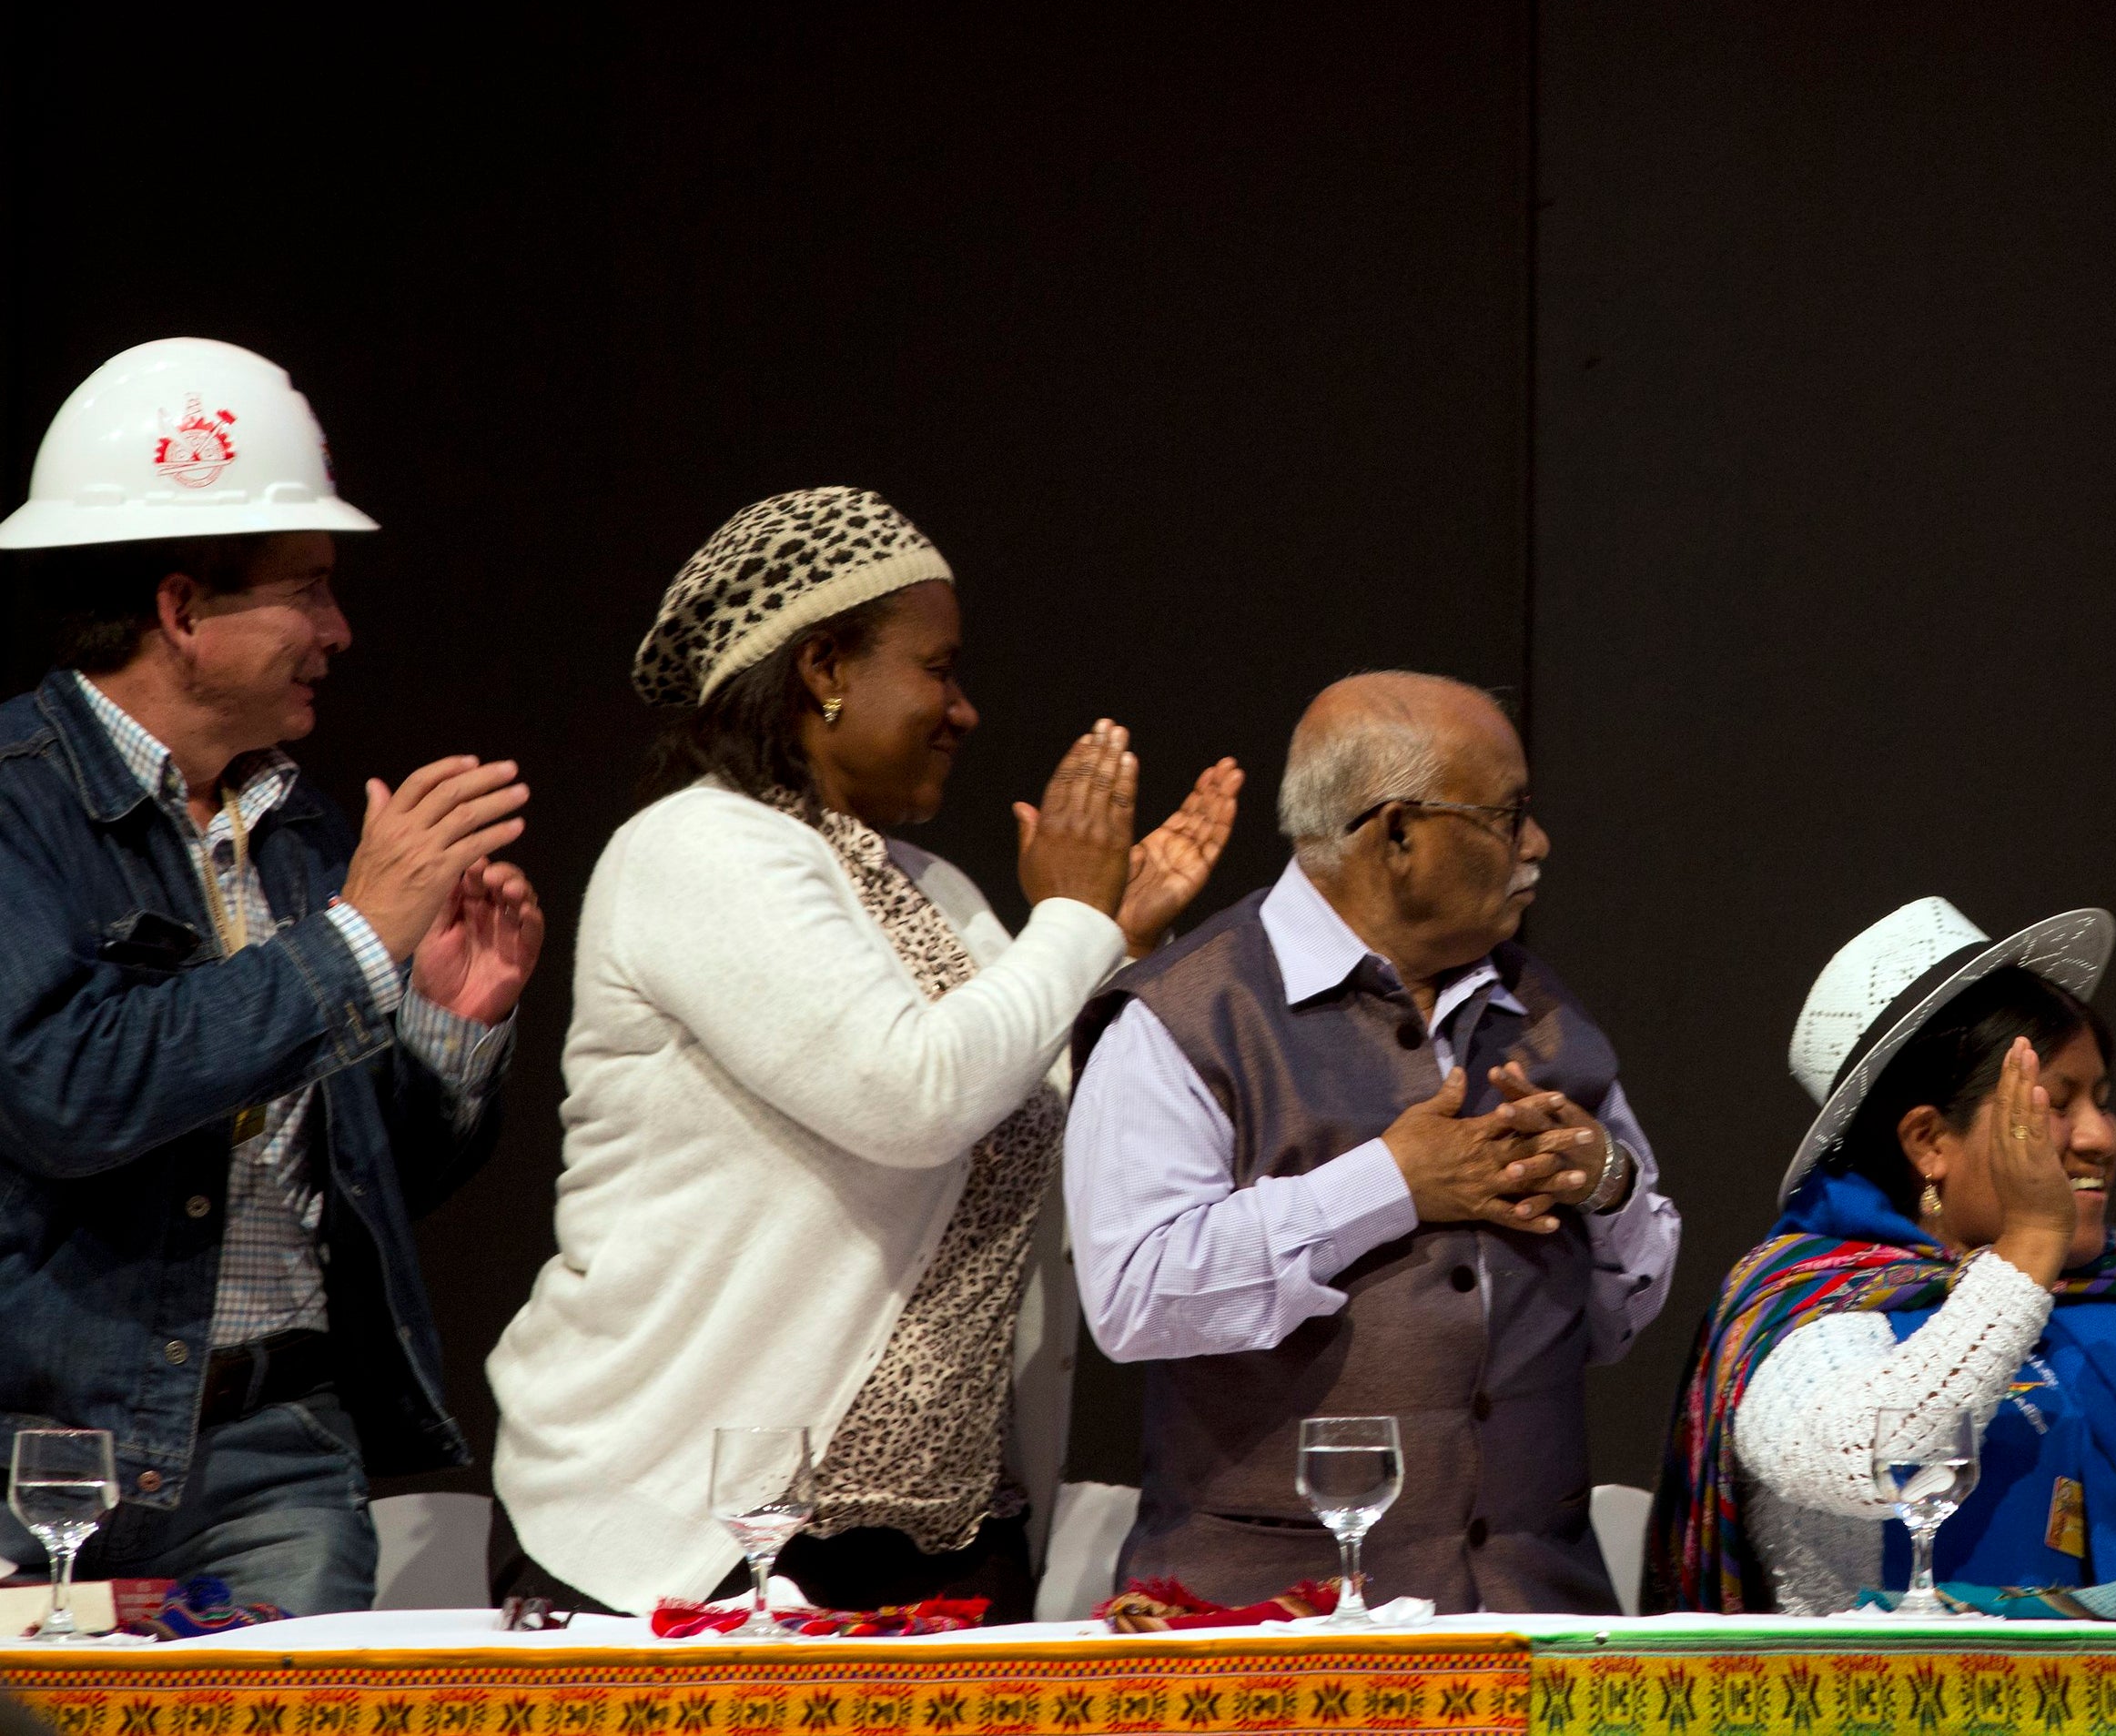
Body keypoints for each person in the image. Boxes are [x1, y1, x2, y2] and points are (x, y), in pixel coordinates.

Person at [485, 487, 1240, 1620]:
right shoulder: (698, 848)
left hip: (944, 1533)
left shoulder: (935, 891)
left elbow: (1053, 1119)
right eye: (938, 667)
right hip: (699, 1528)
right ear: (826, 668)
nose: (964, 709)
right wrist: (1074, 927)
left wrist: (1115, 946)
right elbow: (913, 1098)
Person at [0, 338, 543, 1615]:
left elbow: (356, 1185)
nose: (339, 632)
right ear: (185, 611)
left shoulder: (297, 829)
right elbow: (63, 1093)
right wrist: (356, 943)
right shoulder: (15, 809)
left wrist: (447, 1034)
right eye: (308, 591)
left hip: (275, 1459)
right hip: (41, 1454)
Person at [1066, 670, 1679, 1613]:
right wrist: (1391, 1183)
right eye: (1508, 815)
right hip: (1272, 1636)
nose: (1537, 844)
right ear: (1397, 834)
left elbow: (1616, 1318)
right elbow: (1135, 1293)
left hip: (1532, 1624)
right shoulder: (1187, 1015)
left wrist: (1608, 1183)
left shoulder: (1545, 1014)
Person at [1649, 898, 2116, 1614]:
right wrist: (2027, 1253)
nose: (2100, 1138)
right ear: (1929, 1141)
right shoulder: (1806, 1309)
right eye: (2057, 1103)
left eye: (2102, 1100)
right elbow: (1896, 1463)